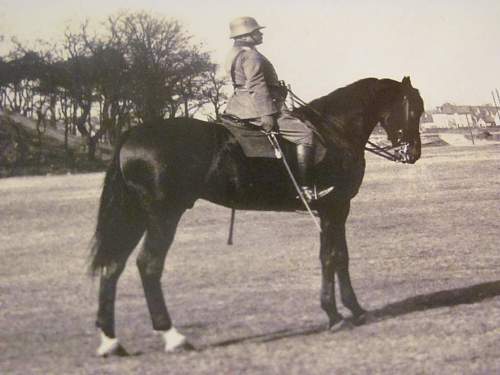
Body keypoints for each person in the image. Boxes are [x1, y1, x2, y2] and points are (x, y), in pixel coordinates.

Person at [224, 16, 331, 202]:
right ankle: (305, 190)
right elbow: (257, 85)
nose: (260, 33)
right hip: (255, 109)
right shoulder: (251, 55)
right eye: (257, 31)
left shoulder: (234, 53)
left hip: (239, 106)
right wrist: (267, 114)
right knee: (305, 134)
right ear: (247, 35)